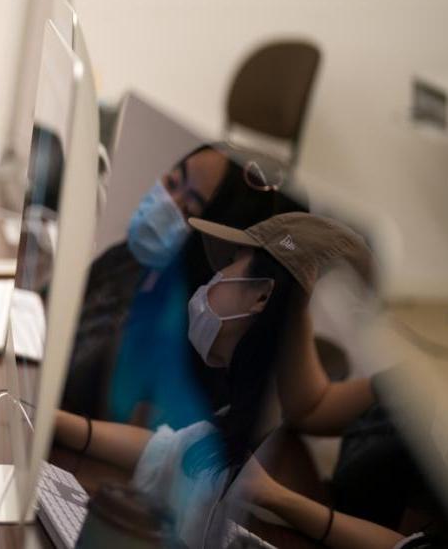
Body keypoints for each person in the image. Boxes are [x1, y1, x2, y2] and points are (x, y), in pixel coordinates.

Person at [52, 212, 399, 548]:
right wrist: (55, 422)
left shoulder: (269, 459)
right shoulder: (235, 419)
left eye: (231, 264)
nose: (212, 282)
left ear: (263, 296)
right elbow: (170, 450)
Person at [64, 143, 305, 427]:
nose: (168, 203)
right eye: (172, 182)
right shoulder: (126, 259)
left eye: (191, 207)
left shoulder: (200, 339)